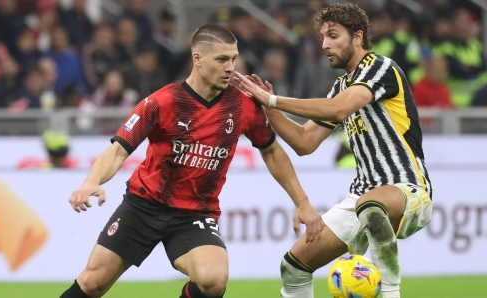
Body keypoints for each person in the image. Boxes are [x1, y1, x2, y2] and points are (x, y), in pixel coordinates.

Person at [59, 23, 322, 298]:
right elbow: (118, 150)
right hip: (143, 206)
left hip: (195, 213)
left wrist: (302, 202)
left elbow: (271, 151)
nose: (230, 67)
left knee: (213, 279)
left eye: (233, 59)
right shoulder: (162, 102)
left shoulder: (243, 106)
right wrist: (91, 181)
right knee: (93, 283)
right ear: (197, 59)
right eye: (222, 59)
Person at [235, 3, 432, 298]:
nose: (325, 44)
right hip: (363, 197)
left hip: (408, 189)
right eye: (323, 37)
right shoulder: (340, 86)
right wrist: (269, 110)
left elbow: (341, 109)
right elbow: (304, 141)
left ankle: (390, 291)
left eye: (333, 36)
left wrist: (274, 99)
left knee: (372, 207)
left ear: (358, 37)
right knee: (294, 266)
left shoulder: (381, 68)